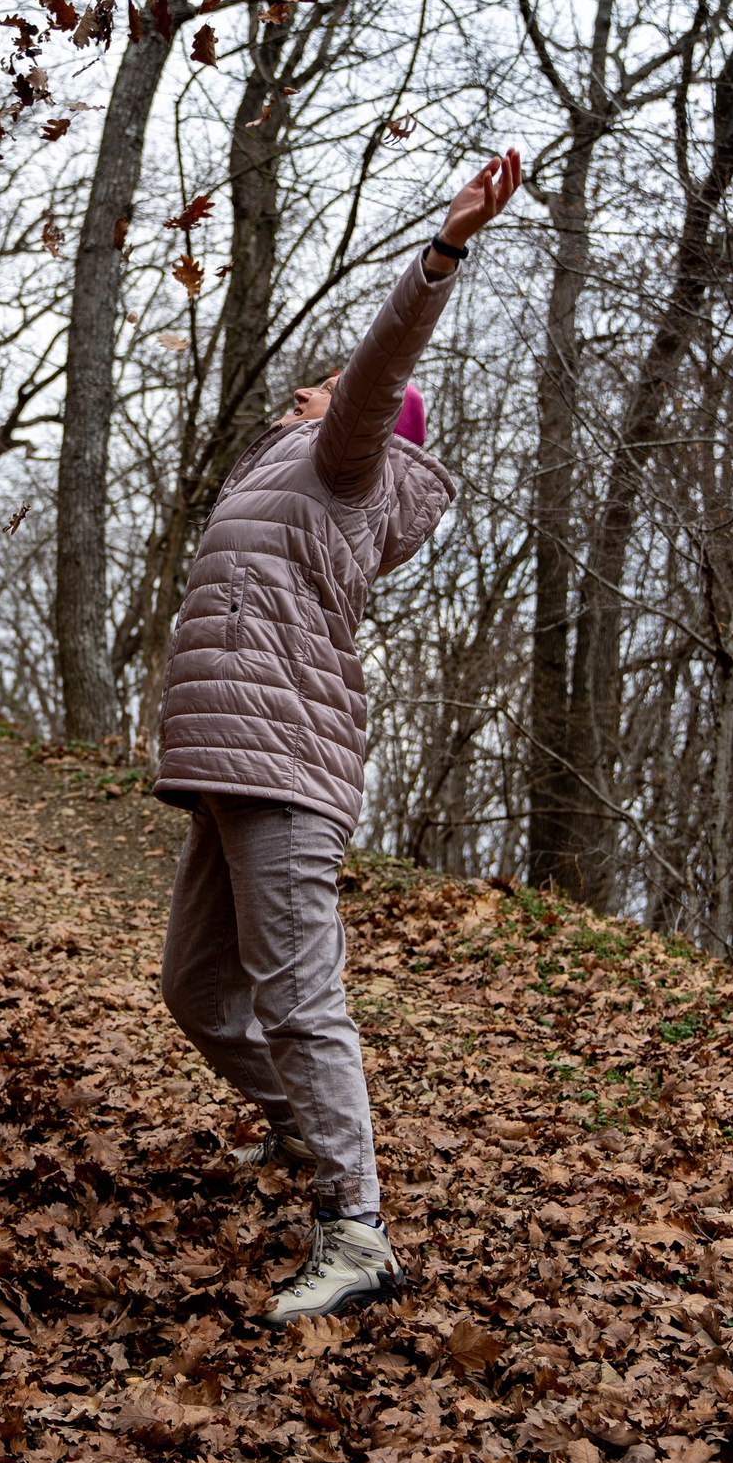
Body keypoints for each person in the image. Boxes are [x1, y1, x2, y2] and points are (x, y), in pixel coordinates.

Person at [153, 151, 522, 1326]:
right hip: (228, 754)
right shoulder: (285, 475)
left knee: (299, 996)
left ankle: (354, 1229)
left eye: (316, 387)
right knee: (197, 990)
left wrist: (444, 249)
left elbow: (375, 375)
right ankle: (301, 1134)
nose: (301, 394)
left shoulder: (345, 462)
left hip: (283, 761)